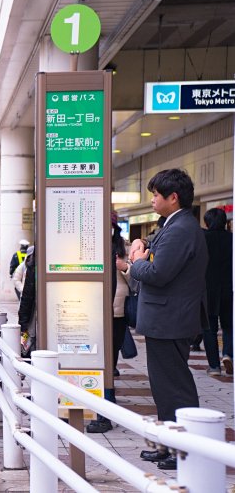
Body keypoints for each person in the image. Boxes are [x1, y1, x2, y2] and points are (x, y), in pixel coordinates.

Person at [129, 168, 207, 471]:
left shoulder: (181, 229)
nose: (151, 200)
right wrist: (143, 245)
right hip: (167, 319)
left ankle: (182, 449)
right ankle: (168, 445)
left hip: (170, 320)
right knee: (164, 386)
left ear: (173, 198)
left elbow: (158, 273)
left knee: (174, 387)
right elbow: (155, 243)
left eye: (156, 195)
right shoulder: (175, 225)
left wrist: (135, 263)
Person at [86, 212, 130, 433]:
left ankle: (107, 409)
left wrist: (124, 267)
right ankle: (96, 405)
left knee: (108, 362)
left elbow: (136, 280)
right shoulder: (90, 245)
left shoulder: (124, 248)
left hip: (116, 313)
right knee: (93, 359)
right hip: (92, 313)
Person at [202, 208, 233, 376]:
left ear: (207, 222)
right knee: (229, 327)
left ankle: (214, 366)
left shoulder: (203, 239)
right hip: (229, 290)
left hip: (208, 291)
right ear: (225, 222)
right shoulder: (232, 239)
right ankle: (228, 354)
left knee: (209, 329)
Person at [17, 245, 36, 357]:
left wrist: (23, 323)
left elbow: (27, 295)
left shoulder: (32, 265)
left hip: (31, 312)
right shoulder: (27, 265)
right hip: (32, 313)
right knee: (30, 337)